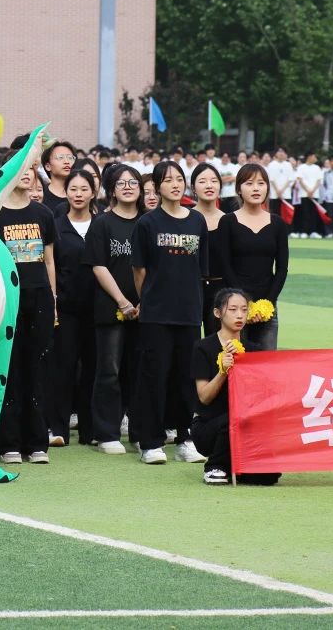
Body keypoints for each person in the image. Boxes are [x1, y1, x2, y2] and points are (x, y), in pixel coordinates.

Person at [130, 161, 208, 466]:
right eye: (168, 180)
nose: (175, 184)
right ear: (157, 187)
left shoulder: (197, 221)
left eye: (179, 179)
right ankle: (150, 442)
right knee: (154, 377)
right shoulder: (147, 223)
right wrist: (150, 300)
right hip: (156, 314)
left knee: (186, 379)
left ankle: (185, 439)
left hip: (189, 313)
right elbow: (139, 271)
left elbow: (201, 269)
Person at [0, 151, 57, 465]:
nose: (28, 173)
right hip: (6, 301)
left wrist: (53, 301)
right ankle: (8, 443)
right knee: (11, 371)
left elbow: (49, 261)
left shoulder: (43, 213)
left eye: (32, 168)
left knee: (38, 370)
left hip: (39, 298)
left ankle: (37, 442)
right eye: (22, 168)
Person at [191, 288, 280, 486]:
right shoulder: (203, 347)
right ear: (218, 313)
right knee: (231, 419)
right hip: (209, 426)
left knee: (269, 476)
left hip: (245, 426)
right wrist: (223, 371)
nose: (239, 315)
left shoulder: (254, 350)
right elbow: (204, 397)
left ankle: (235, 466)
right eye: (232, 309)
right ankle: (214, 466)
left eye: (244, 310)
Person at [85, 163, 143, 455]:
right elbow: (98, 266)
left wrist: (144, 301)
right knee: (109, 371)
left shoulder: (148, 222)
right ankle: (107, 433)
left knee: (140, 371)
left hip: (145, 309)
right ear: (112, 190)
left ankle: (140, 432)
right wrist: (123, 301)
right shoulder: (102, 224)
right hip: (111, 307)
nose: (128, 187)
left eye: (133, 182)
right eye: (121, 183)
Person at [216, 163, 289, 352]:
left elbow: (282, 269)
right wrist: (244, 303)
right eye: (249, 183)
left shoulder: (278, 224)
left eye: (261, 183)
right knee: (236, 362)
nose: (256, 188)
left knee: (267, 363)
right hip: (235, 308)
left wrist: (268, 302)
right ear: (239, 189)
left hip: (268, 307)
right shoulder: (228, 222)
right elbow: (224, 265)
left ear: (267, 188)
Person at [49, 168, 96, 448]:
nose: (78, 194)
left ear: (93, 192)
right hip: (65, 308)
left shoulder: (101, 224)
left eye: (84, 189)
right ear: (65, 193)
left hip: (98, 309)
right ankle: (58, 428)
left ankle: (90, 429)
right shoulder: (56, 225)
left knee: (93, 368)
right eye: (73, 189)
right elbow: (50, 265)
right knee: (63, 368)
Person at [191, 163, 226, 336]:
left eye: (214, 181)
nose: (209, 185)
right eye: (202, 181)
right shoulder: (186, 219)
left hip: (221, 291)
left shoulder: (229, 221)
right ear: (193, 188)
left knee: (218, 344)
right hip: (190, 289)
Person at [39, 140, 76, 213]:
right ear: (48, 166)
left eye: (70, 158)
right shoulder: (40, 194)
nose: (67, 162)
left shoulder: (79, 195)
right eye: (60, 157)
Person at [293, 153, 324, 238]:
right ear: (309, 157)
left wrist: (312, 190)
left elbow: (319, 181)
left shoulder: (317, 168)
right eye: (314, 157)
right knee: (304, 213)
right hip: (304, 194)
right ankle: (304, 231)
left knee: (314, 213)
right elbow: (300, 180)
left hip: (314, 194)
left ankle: (313, 231)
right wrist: (308, 190)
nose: (315, 158)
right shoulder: (301, 167)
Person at [265, 147, 294, 216]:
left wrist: (282, 191)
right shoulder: (271, 165)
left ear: (285, 154)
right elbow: (271, 179)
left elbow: (290, 179)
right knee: (275, 215)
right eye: (279, 151)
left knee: (286, 216)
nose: (281, 153)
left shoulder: (288, 165)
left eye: (283, 152)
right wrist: (278, 191)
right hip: (274, 195)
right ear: (276, 153)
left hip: (286, 195)